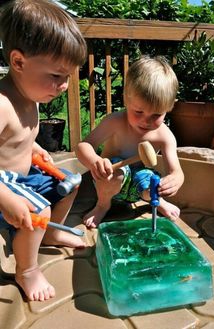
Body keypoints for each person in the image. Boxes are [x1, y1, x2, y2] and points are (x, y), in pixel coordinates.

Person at [0, 0, 87, 301]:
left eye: (67, 77)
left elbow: (18, 137)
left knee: (71, 182)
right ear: (19, 62)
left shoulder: (30, 95)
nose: (63, 86)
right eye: (56, 76)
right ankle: (27, 270)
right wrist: (5, 198)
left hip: (21, 177)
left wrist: (34, 147)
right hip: (3, 183)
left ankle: (52, 231)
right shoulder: (2, 104)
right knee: (39, 209)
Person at [77, 56, 184, 228]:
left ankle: (157, 201)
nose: (146, 121)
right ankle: (102, 206)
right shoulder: (115, 122)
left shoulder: (165, 135)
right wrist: (95, 162)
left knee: (155, 182)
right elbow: (84, 146)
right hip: (109, 180)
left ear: (169, 108)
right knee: (117, 172)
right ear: (126, 99)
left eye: (156, 115)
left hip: (138, 187)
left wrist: (174, 180)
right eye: (139, 111)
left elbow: (176, 171)